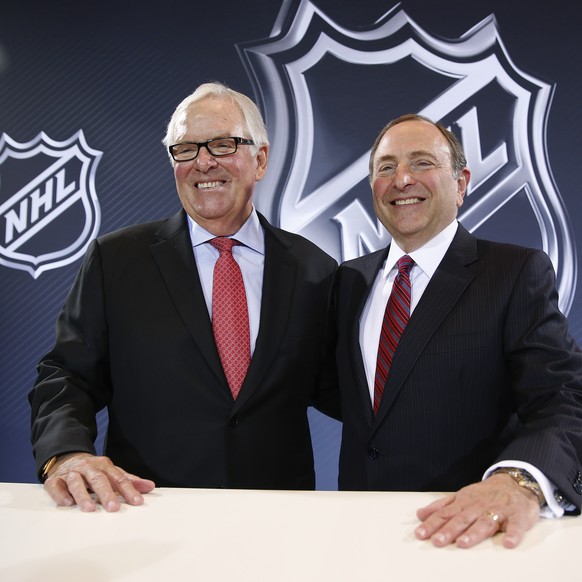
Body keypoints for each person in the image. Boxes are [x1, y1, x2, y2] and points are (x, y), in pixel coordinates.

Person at [29, 82, 340, 512]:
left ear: (261, 159)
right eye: (186, 149)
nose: (203, 162)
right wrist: (67, 453)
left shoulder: (315, 269)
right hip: (147, 513)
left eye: (222, 144)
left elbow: (351, 393)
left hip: (277, 518)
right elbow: (67, 375)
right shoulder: (116, 260)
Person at [333, 113, 582, 548]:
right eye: (386, 167)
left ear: (461, 182)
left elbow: (562, 398)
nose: (402, 178)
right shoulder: (348, 281)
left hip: (466, 537)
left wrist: (517, 481)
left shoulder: (513, 272)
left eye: (422, 162)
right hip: (356, 535)